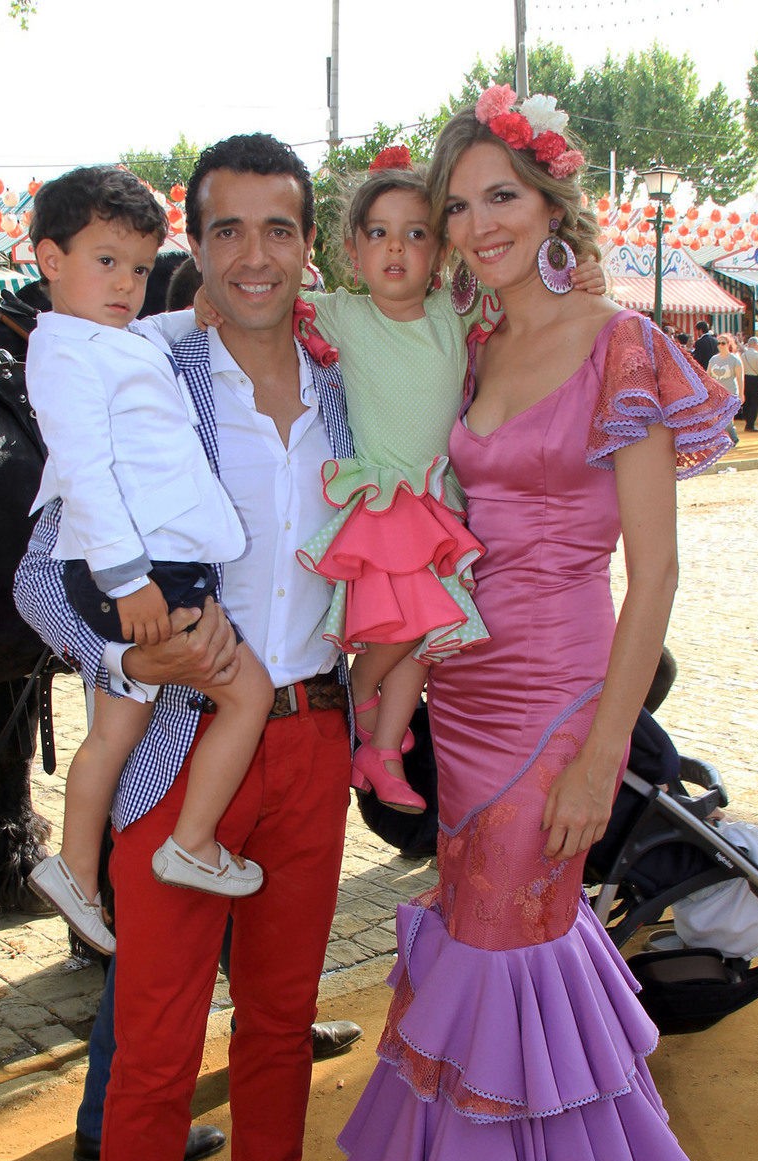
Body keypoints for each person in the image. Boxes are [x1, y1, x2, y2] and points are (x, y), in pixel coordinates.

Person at [315, 87, 736, 1161]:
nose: (474, 222)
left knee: (506, 944)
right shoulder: (472, 340)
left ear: (552, 202)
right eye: (456, 205)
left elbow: (652, 578)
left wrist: (606, 751)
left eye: (500, 195)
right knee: (500, 942)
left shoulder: (621, 348)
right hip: (462, 682)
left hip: (556, 699)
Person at [15, 132, 360, 1161]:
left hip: (311, 739)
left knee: (278, 1027)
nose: (254, 255)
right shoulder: (131, 365)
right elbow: (40, 577)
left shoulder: (346, 388)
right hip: (176, 752)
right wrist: (121, 664)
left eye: (279, 229)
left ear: (306, 242)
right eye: (226, 231)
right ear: (193, 248)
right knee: (157, 1048)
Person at [193, 150, 606, 815]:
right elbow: (254, 295)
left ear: (442, 253)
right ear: (352, 253)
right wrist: (205, 296)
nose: (396, 249)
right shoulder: (341, 314)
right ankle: (356, 701)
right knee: (410, 622)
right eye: (379, 233)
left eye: (416, 234)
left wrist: (579, 276)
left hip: (439, 504)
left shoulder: (457, 312)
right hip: (385, 502)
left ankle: (380, 750)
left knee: (431, 634)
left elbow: (532, 296)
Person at [23, 168, 275, 957]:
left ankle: (74, 870)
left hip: (156, 567)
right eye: (105, 262)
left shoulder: (116, 336)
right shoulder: (62, 353)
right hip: (145, 573)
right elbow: (86, 472)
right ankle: (190, 842)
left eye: (137, 268)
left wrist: (195, 307)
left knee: (115, 731)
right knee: (250, 693)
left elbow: (157, 339)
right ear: (49, 260)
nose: (125, 284)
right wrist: (127, 582)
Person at [707, 334, 743, 444]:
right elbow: (708, 376)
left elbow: (740, 378)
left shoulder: (734, 359)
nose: (720, 345)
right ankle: (722, 439)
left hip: (730, 392)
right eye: (718, 343)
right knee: (717, 417)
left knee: (727, 417)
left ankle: (733, 438)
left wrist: (741, 394)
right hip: (716, 393)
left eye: (723, 343)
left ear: (728, 344)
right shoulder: (713, 359)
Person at [740, 334, 758, 431]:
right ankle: (750, 424)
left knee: (746, 402)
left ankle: (747, 421)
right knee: (755, 402)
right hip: (755, 379)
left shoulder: (743, 355)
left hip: (745, 378)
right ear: (755, 344)